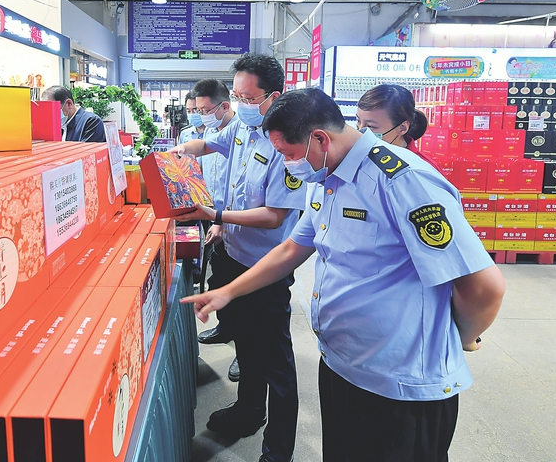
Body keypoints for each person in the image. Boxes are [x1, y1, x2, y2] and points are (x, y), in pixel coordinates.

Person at [183, 87, 505, 462]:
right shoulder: (326, 177)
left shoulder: (401, 180)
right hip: (342, 365)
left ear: (320, 138)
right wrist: (228, 292)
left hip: (398, 385)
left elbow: (484, 286)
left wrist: (460, 338)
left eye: (288, 155)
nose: (288, 165)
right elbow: (292, 248)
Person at [171, 53, 304, 462]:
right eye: (237, 94)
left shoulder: (286, 142)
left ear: (272, 97)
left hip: (265, 270)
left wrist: (216, 215)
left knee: (275, 364)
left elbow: (275, 215)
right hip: (232, 255)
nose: (242, 103)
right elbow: (207, 143)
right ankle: (249, 412)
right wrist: (180, 153)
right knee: (245, 346)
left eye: (249, 97)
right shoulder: (241, 131)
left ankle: (278, 448)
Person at [189, 78, 239, 380]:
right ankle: (226, 327)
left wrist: (221, 219)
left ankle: (242, 354)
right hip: (213, 215)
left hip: (234, 219)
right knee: (219, 275)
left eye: (205, 109)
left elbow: (237, 187)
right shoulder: (210, 132)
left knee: (246, 299)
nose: (201, 115)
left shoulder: (239, 134)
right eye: (197, 109)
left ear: (224, 106)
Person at [356, 83, 442, 173]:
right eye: (358, 121)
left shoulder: (423, 169)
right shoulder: (361, 156)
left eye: (370, 126)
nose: (361, 131)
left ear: (402, 128)